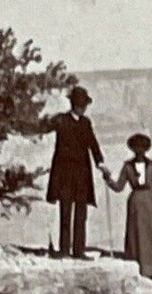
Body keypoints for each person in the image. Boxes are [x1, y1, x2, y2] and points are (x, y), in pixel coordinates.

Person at [39, 86, 105, 258]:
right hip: (65, 174)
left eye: (83, 105)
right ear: (74, 104)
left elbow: (93, 144)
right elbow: (43, 128)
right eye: (80, 104)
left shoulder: (86, 123)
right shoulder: (62, 121)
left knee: (81, 213)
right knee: (65, 211)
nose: (82, 108)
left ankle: (78, 250)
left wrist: (101, 163)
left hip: (82, 175)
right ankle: (64, 250)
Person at [102, 134, 152, 280]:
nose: (139, 151)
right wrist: (108, 180)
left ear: (146, 149)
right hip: (136, 204)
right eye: (137, 148)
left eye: (142, 148)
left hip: (151, 203)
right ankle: (140, 267)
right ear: (133, 149)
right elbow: (119, 186)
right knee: (138, 235)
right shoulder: (127, 166)